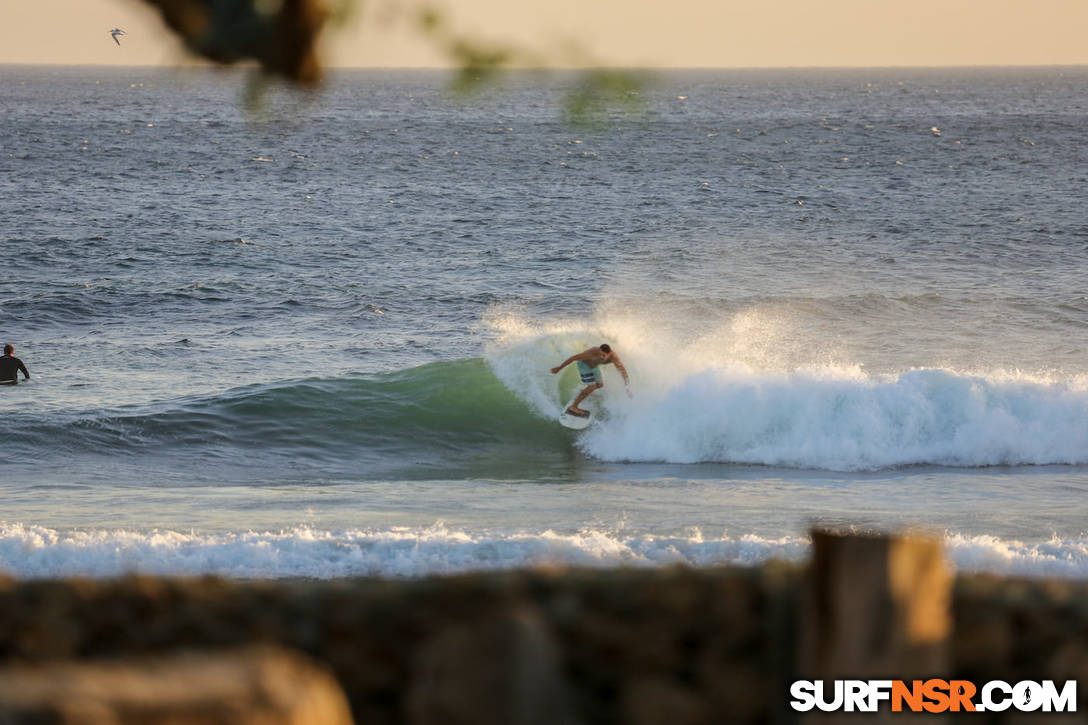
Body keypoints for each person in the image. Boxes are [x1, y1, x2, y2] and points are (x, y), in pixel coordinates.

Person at [550, 343, 630, 417]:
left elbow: (622, 370)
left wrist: (627, 386)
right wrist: (559, 368)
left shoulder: (613, 357)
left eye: (604, 355)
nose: (602, 356)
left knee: (600, 385)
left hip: (594, 367)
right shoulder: (591, 353)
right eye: (600, 354)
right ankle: (573, 407)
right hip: (584, 366)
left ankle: (585, 392)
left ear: (609, 354)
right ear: (599, 350)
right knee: (592, 386)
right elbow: (573, 358)